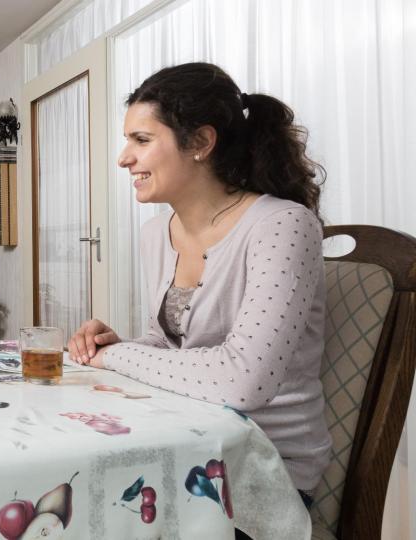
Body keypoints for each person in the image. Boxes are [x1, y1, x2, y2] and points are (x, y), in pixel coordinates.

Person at [67, 63, 331, 506]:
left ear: (202, 143)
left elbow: (243, 380)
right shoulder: (156, 233)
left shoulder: (283, 225)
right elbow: (171, 346)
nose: (123, 157)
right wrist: (118, 345)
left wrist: (117, 356)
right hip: (185, 441)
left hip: (262, 468)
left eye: (142, 140)